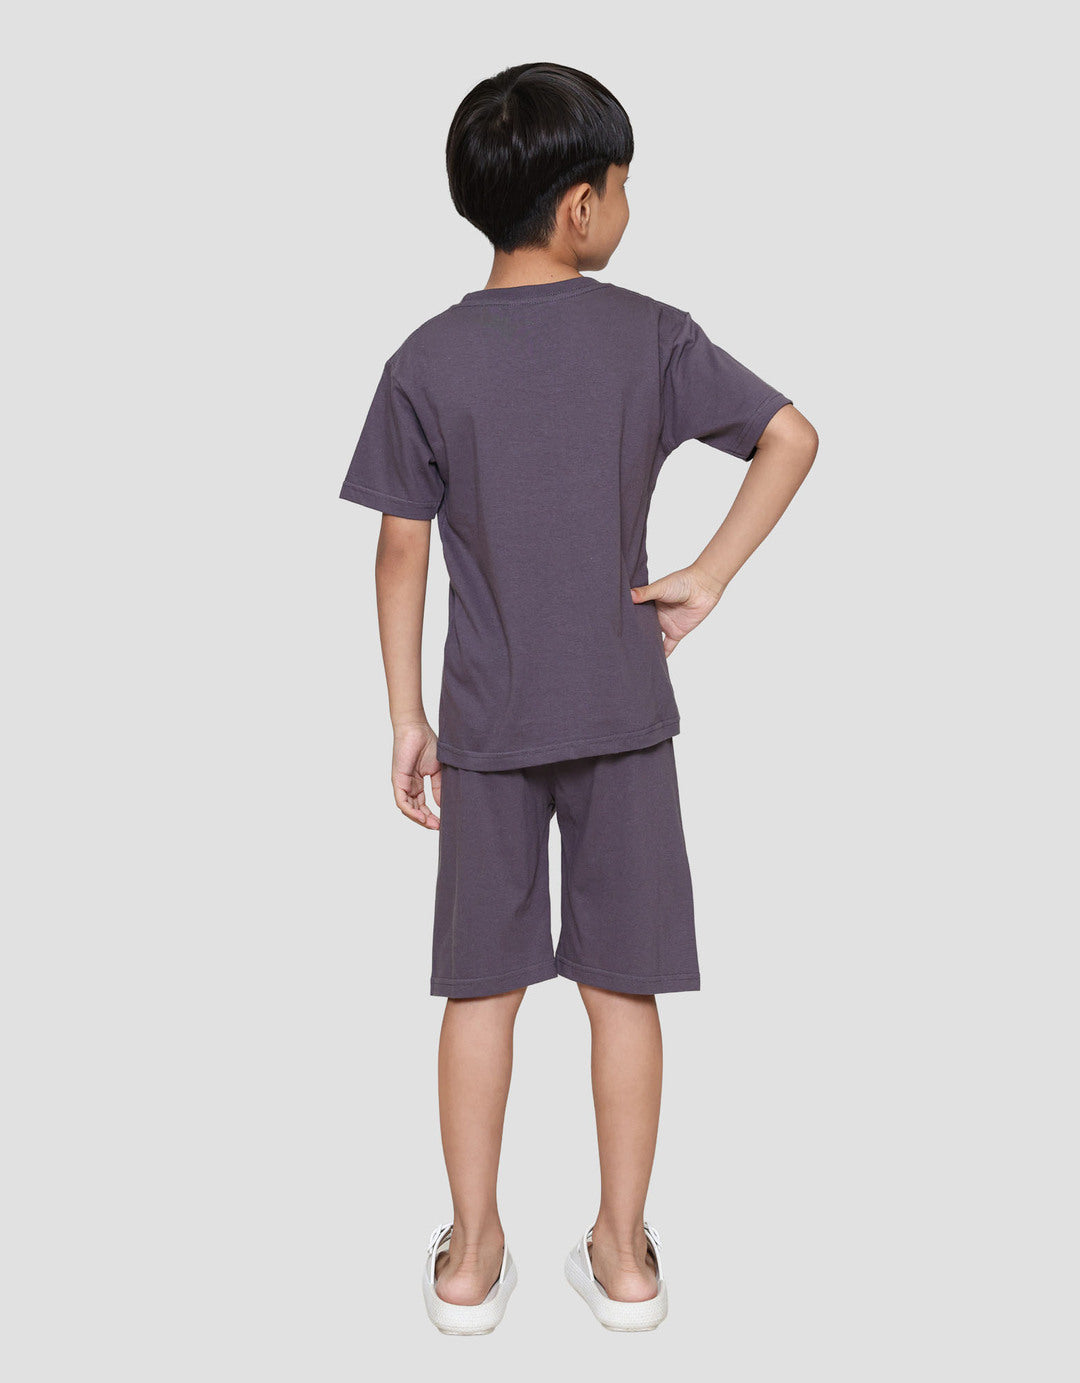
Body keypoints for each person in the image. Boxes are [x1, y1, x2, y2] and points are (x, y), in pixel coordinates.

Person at [338, 62, 818, 1335]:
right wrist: (709, 575)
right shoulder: (650, 334)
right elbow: (792, 435)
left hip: (487, 723)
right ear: (583, 206)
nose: (625, 205)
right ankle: (622, 1259)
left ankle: (468, 1262)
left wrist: (406, 717)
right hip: (621, 711)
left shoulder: (425, 358)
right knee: (623, 985)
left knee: (480, 988)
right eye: (623, 183)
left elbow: (398, 552)